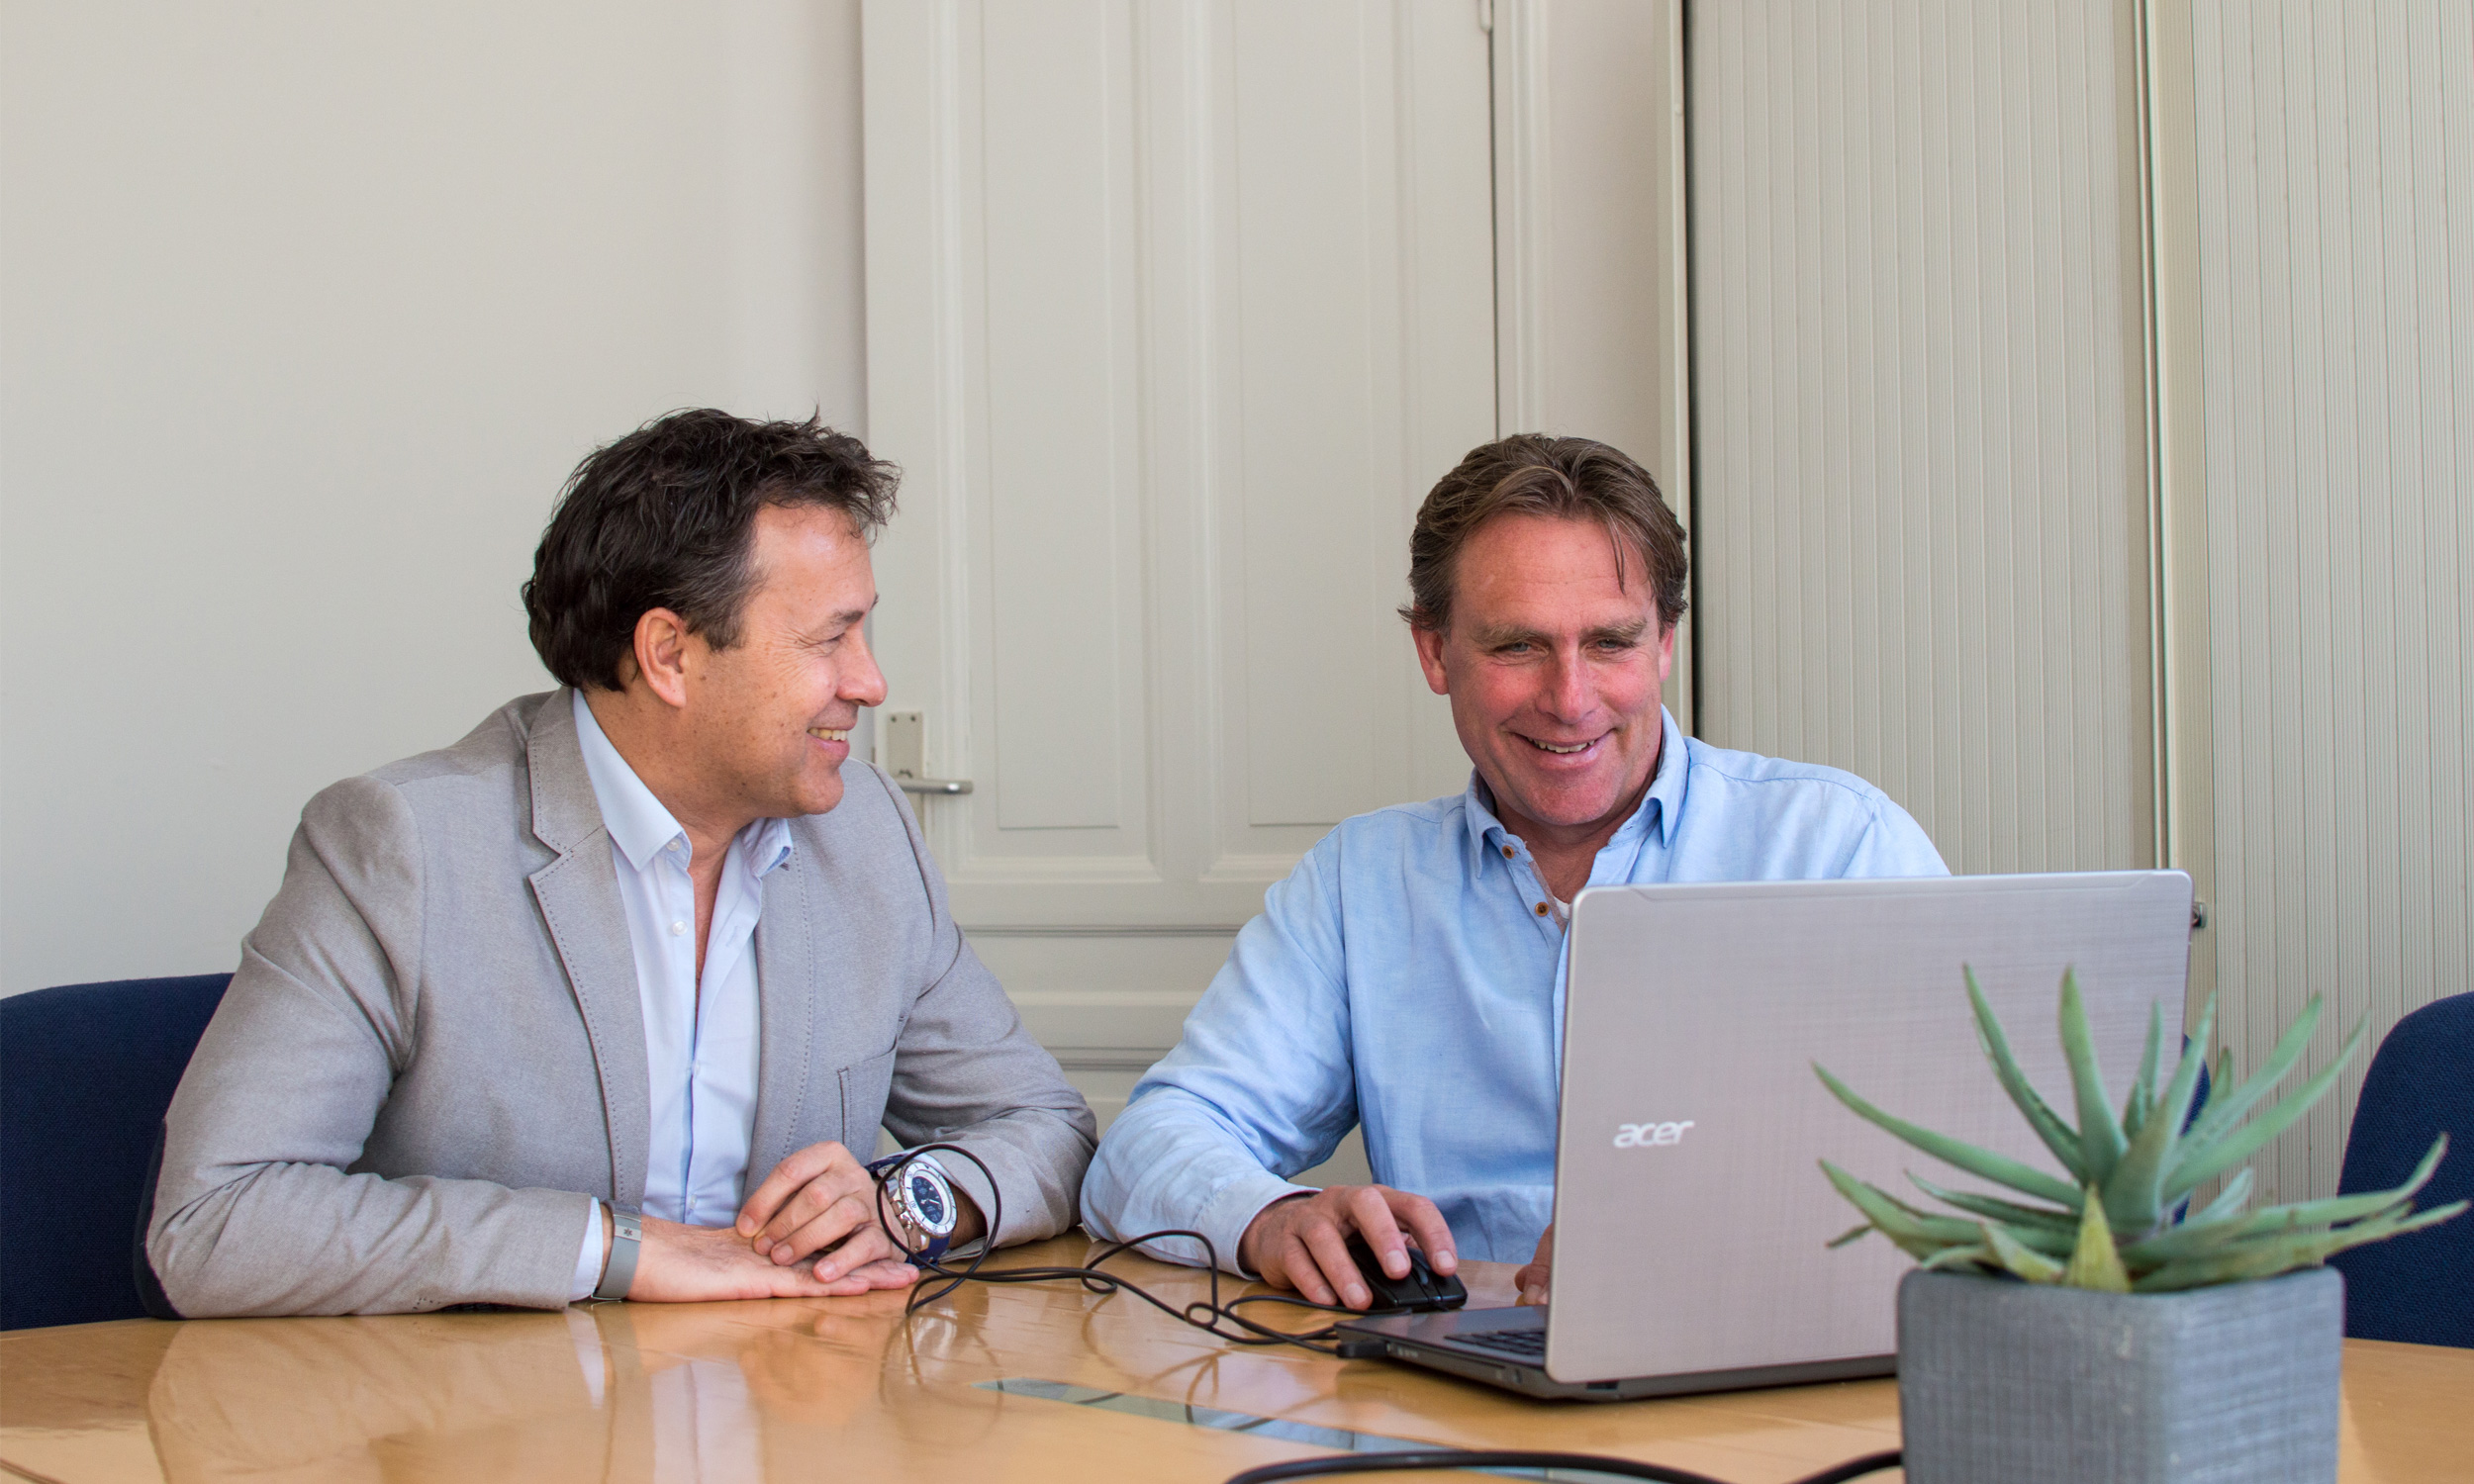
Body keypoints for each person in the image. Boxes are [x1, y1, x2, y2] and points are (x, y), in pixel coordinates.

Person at [147, 410, 1096, 1316]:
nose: (871, 683)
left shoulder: (868, 834)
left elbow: (1048, 1129)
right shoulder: (402, 847)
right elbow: (215, 1222)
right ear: (669, 654)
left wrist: (903, 1206)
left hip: (791, 1414)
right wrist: (617, 1250)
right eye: (827, 639)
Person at [1080, 434, 1947, 1310]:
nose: (1570, 700)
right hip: (1453, 1378)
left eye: (1610, 643)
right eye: (1518, 647)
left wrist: (1709, 1233)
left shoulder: (1838, 848)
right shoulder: (1359, 883)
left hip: (1762, 1347)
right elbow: (1147, 1147)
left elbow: (1968, 1164)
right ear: (1434, 651)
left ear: (1665, 646)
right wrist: (1270, 1218)